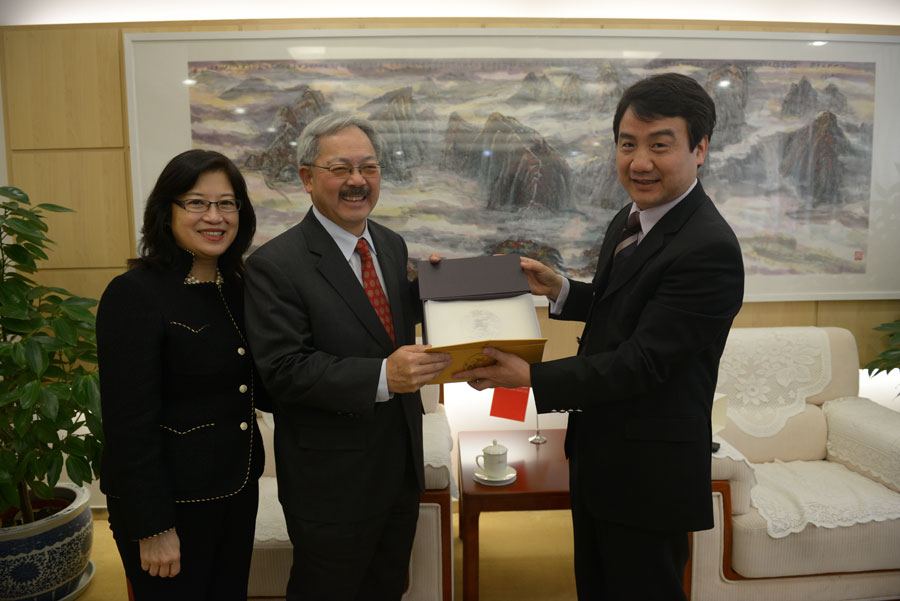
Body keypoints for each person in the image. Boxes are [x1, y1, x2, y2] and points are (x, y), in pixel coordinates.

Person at [455, 73, 745, 600]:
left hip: (649, 474)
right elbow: (631, 311)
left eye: (661, 145)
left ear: (699, 149)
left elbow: (644, 361)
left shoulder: (708, 248)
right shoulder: (632, 218)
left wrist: (532, 378)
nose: (639, 162)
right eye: (627, 144)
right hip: (601, 456)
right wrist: (562, 289)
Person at [243, 112, 452, 601]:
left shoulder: (390, 243)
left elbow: (383, 326)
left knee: (387, 588)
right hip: (330, 484)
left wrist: (446, 290)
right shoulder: (274, 266)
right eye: (341, 169)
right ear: (307, 178)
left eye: (369, 168)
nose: (358, 181)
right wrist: (383, 376)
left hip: (399, 468)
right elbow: (283, 372)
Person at [96, 149, 269, 600]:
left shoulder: (240, 288)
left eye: (226, 203)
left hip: (236, 489)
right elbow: (127, 425)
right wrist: (153, 525)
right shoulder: (133, 294)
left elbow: (266, 383)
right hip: (171, 505)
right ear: (166, 211)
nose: (214, 216)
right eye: (196, 202)